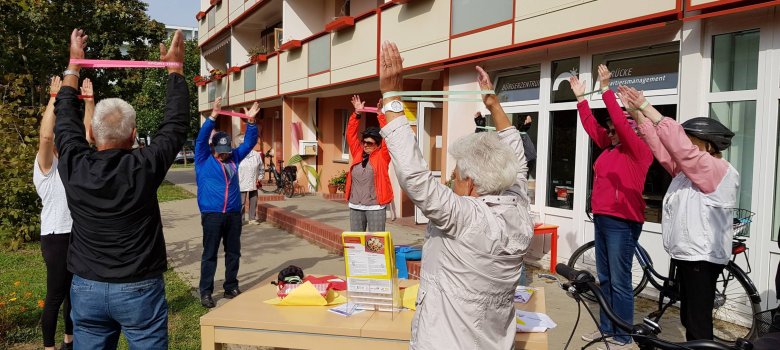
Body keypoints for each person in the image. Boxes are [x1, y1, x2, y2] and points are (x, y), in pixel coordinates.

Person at [377, 41, 533, 349]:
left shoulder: (467, 218)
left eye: (456, 177)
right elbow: (518, 161)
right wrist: (494, 107)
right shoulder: (518, 207)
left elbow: (415, 177)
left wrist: (392, 98)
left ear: (472, 184)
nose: (450, 182)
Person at [54, 29, 188, 349]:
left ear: (92, 132)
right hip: (139, 289)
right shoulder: (144, 166)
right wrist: (175, 71)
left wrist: (74, 65)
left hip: (86, 289)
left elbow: (64, 122)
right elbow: (175, 126)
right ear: (133, 136)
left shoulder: (75, 165)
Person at [620, 85, 739, 341]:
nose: (684, 147)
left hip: (702, 257)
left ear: (707, 147)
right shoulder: (688, 171)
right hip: (688, 254)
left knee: (697, 321)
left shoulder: (715, 168)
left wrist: (646, 108)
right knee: (689, 317)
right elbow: (662, 149)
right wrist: (638, 116)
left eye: (692, 142)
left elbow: (680, 149)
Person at [569, 66, 653, 348]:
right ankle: (607, 328)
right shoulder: (610, 148)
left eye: (615, 129)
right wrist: (581, 99)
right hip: (604, 219)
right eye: (610, 130)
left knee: (619, 280)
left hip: (623, 221)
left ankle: (622, 333)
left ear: (629, 128)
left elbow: (618, 118)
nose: (610, 131)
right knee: (604, 278)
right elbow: (592, 126)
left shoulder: (638, 150)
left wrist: (605, 89)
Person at [35, 75, 93, 350]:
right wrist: (53, 99)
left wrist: (90, 103)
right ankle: (49, 347)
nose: (58, 136)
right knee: (56, 294)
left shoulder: (73, 162)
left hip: (78, 235)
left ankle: (69, 343)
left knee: (74, 294)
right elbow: (45, 136)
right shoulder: (45, 167)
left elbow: (87, 135)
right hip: (56, 237)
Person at [195, 97, 259, 308]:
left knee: (233, 252)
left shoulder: (235, 158)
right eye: (220, 152)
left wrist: (250, 122)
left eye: (226, 151)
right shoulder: (203, 159)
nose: (224, 155)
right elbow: (201, 138)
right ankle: (205, 291)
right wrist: (213, 116)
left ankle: (231, 285)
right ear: (213, 149)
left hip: (233, 214)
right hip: (212, 214)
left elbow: (249, 143)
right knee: (210, 254)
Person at [345, 95, 393, 232]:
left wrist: (380, 116)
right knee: (356, 243)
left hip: (375, 207)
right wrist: (357, 114)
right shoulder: (358, 153)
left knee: (375, 245)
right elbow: (351, 134)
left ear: (377, 144)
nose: (365, 145)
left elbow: (388, 138)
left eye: (369, 143)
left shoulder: (383, 156)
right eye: (364, 142)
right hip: (355, 206)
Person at [236, 134, 263, 224]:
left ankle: (252, 218)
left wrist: (259, 178)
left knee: (253, 201)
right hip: (240, 182)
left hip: (253, 182)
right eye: (241, 143)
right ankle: (240, 220)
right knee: (241, 202)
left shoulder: (256, 155)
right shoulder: (236, 154)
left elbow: (261, 168)